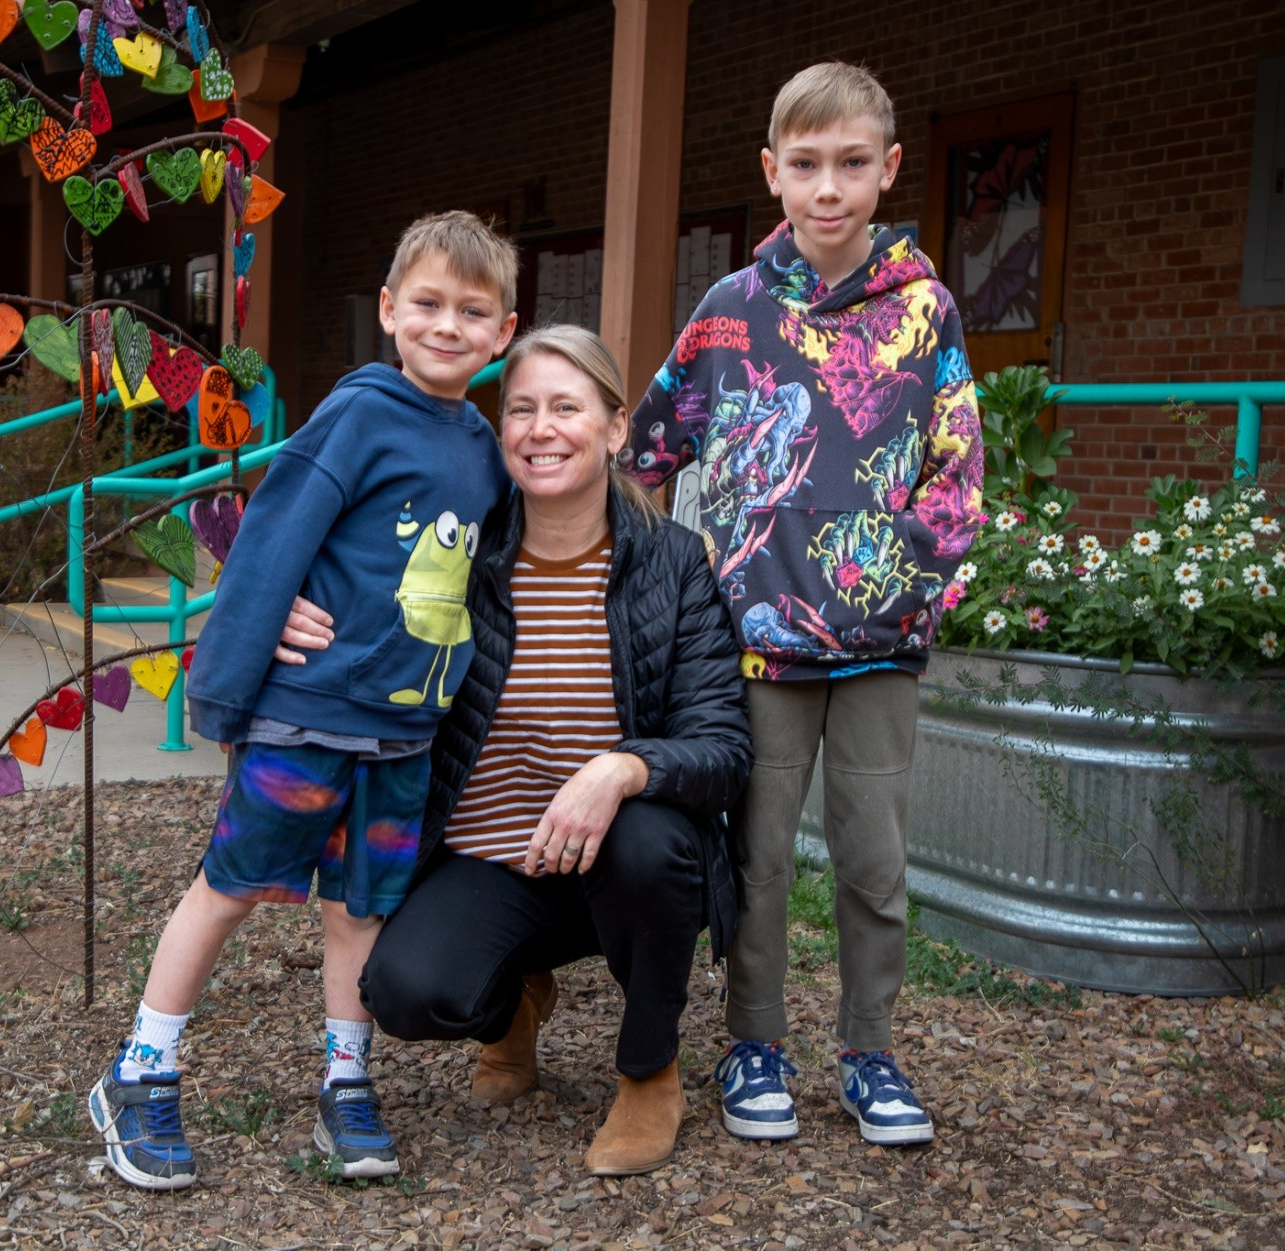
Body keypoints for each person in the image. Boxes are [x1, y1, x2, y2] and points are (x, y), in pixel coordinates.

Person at [87, 210, 519, 1189]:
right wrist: (241, 667)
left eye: (471, 310)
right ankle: (142, 1065)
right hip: (309, 712)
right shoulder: (358, 414)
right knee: (231, 887)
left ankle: (344, 1079)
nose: (447, 325)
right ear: (389, 310)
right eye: (428, 304)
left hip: (403, 730)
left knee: (358, 913)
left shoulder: (485, 452)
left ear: (502, 331)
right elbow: (275, 531)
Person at [282, 325, 751, 1176]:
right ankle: (513, 1005)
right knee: (405, 991)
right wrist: (288, 608)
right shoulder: (466, 551)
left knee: (649, 845)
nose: (541, 428)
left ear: (614, 429)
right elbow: (346, 564)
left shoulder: (674, 565)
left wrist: (619, 769)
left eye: (566, 408)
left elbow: (722, 746)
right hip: (495, 857)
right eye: (521, 409)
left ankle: (649, 1070)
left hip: (622, 859)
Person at [622, 62, 987, 1147]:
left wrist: (894, 582)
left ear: (887, 171)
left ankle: (871, 1054)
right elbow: (646, 447)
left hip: (879, 652)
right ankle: (755, 1044)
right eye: (806, 165)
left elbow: (957, 476)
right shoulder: (729, 313)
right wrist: (678, 588)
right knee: (757, 858)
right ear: (772, 173)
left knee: (873, 862)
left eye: (851, 164)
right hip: (756, 651)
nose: (828, 187)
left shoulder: (925, 309)